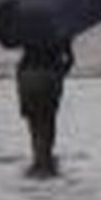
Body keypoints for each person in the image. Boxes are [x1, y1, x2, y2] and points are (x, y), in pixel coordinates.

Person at [16, 38, 74, 176]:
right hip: (49, 77)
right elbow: (69, 60)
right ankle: (45, 158)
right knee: (48, 121)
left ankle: (37, 158)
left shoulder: (26, 31)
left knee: (33, 121)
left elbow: (20, 63)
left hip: (27, 77)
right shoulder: (60, 32)